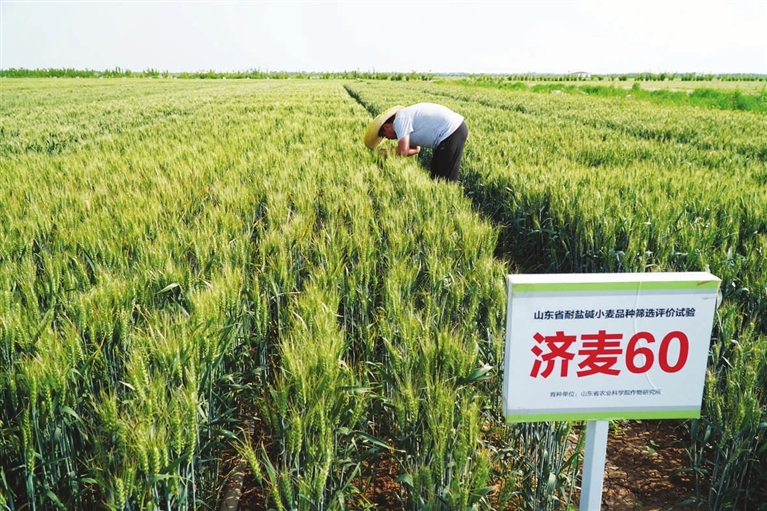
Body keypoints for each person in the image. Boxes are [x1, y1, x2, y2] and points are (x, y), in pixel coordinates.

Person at [364, 103, 468, 182]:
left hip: (452, 131)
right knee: (435, 176)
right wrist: (393, 152)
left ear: (386, 127)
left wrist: (384, 152)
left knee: (445, 181)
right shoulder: (403, 122)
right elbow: (416, 149)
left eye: (384, 135)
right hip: (447, 134)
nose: (388, 138)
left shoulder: (400, 120)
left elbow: (403, 151)